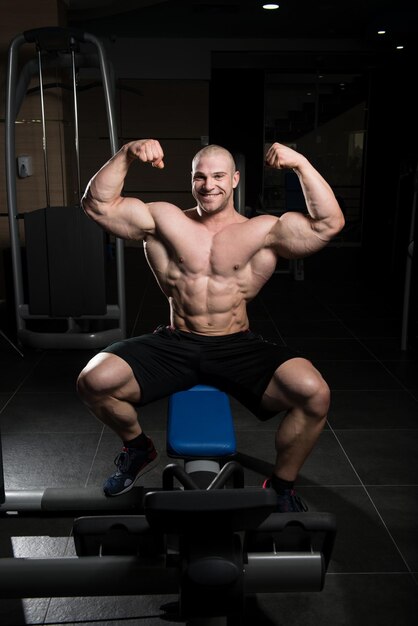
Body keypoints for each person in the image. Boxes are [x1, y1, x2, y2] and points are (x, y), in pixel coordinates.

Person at [77, 139, 345, 511]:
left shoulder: (263, 230)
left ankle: (282, 485)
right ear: (191, 180)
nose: (208, 185)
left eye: (218, 176)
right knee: (93, 382)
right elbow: (97, 204)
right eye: (199, 177)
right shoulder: (164, 220)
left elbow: (329, 223)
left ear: (235, 179)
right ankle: (138, 448)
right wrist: (126, 154)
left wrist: (300, 162)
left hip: (237, 344)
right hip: (176, 342)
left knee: (315, 393)